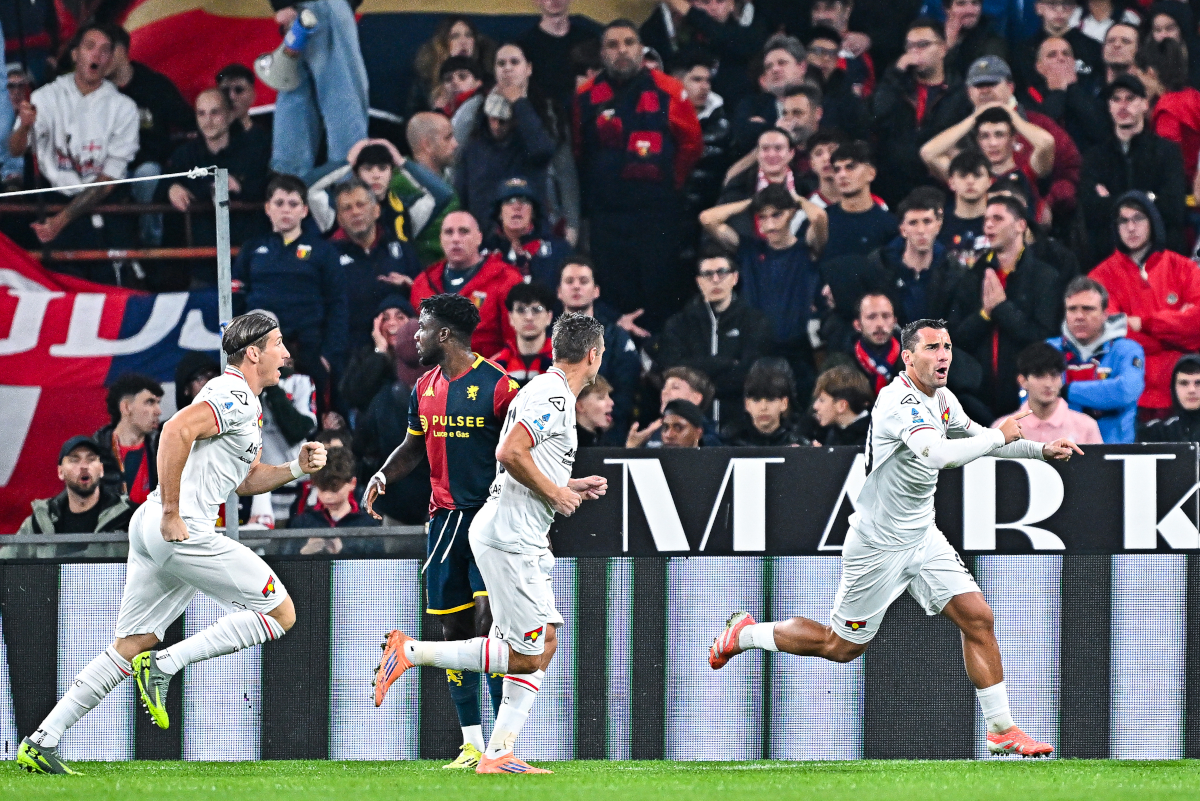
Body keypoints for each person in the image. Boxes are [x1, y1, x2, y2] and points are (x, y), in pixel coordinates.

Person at [709, 318, 1078, 759]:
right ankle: (748, 633)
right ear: (908, 357)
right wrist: (1002, 434)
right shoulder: (896, 401)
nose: (944, 355)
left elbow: (977, 440)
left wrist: (1038, 450)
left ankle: (1002, 730)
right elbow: (942, 455)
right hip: (878, 544)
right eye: (932, 348)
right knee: (840, 647)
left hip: (922, 534)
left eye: (947, 346)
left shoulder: (941, 398)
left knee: (977, 617)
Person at [16, 313, 328, 776]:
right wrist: (172, 513)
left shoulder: (244, 402)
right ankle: (165, 665)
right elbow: (173, 431)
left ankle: (43, 740)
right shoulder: (234, 394)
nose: (287, 354)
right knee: (281, 613)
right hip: (179, 529)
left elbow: (242, 482)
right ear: (254, 353)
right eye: (279, 344)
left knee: (132, 642)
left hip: (156, 529)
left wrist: (296, 469)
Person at [373, 312, 607, 775]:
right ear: (593, 355)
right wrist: (555, 492)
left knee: (546, 641)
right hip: (509, 536)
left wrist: (566, 483)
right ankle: (411, 652)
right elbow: (509, 451)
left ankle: (498, 752)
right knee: (528, 652)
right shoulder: (555, 398)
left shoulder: (541, 389)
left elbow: (522, 459)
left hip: (514, 532)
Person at [361, 293, 521, 767]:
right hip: (443, 522)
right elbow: (413, 446)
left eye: (424, 327)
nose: (416, 335)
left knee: (490, 628)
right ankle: (471, 743)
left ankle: (500, 745)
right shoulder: (423, 387)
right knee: (452, 631)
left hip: (490, 521)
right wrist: (384, 475)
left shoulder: (500, 387)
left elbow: (521, 455)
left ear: (446, 334)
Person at [574, 20, 703, 331]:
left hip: (658, 216)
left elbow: (691, 144)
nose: (622, 50)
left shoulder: (669, 89)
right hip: (608, 220)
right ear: (602, 53)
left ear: (641, 49)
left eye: (629, 43)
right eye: (613, 45)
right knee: (613, 296)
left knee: (661, 294)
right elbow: (580, 149)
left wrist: (670, 183)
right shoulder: (585, 96)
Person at [7, 23, 138, 261]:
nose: (97, 55)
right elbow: (16, 150)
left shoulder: (124, 108)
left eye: (105, 50)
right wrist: (25, 125)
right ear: (75, 54)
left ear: (110, 61)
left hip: (101, 205)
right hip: (52, 199)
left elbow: (109, 180)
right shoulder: (45, 96)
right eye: (90, 47)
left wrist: (61, 221)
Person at [701, 184, 829, 393]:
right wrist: (752, 202)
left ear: (791, 213)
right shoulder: (750, 249)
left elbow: (819, 218)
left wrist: (797, 200)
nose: (769, 225)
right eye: (762, 217)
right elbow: (708, 218)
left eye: (776, 215)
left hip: (796, 347)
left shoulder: (806, 250)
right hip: (755, 349)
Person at [233, 174, 348, 398]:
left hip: (309, 350)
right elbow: (235, 301)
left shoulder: (323, 251)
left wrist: (328, 355)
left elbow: (338, 305)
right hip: (260, 352)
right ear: (267, 208)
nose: (286, 210)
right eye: (279, 203)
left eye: (293, 204)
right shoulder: (252, 249)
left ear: (304, 210)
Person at [947, 195, 1063, 418]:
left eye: (998, 218)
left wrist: (1001, 308)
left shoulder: (1044, 277)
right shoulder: (972, 277)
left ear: (1020, 225)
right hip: (977, 402)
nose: (989, 224)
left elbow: (1042, 337)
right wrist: (984, 315)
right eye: (986, 219)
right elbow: (957, 337)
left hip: (1024, 400)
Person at [1089, 191, 1200, 417]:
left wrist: (1143, 323)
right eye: (1123, 220)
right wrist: (1176, 329)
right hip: (1130, 399)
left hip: (1184, 394)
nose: (1131, 227)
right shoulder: (1100, 278)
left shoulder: (1184, 269)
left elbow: (1197, 325)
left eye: (1138, 218)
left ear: (1152, 221)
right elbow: (1112, 335)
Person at [161, 88, 271, 274]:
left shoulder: (255, 150)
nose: (208, 120)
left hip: (250, 261)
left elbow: (272, 187)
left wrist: (240, 186)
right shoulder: (185, 154)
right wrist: (171, 187)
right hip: (202, 264)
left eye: (215, 112)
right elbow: (161, 185)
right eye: (201, 113)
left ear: (229, 115)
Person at [658, 248, 773, 424]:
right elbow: (674, 370)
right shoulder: (678, 324)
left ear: (735, 277)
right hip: (691, 428)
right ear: (698, 281)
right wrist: (727, 363)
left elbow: (752, 375)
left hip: (740, 427)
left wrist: (699, 380)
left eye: (722, 272)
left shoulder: (755, 321)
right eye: (708, 274)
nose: (715, 280)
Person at [1080, 74, 1187, 262]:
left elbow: (1173, 210)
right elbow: (1090, 212)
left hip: (1160, 258)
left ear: (1145, 104)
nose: (1123, 105)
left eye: (1130, 98)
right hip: (1110, 259)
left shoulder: (1167, 152)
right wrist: (1149, 197)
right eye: (1116, 99)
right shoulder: (1094, 158)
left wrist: (1112, 200)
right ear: (1109, 106)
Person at [456, 44, 559, 227]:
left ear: (528, 68)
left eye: (514, 62)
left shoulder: (544, 111)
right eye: (501, 63)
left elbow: (543, 151)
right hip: (485, 230)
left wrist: (519, 102)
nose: (507, 68)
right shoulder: (474, 113)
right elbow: (462, 186)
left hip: (529, 229)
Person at [269, 0, 369, 176]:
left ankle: (288, 189)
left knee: (295, 93)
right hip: (324, 6)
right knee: (343, 99)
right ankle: (347, 186)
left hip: (308, 8)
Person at [870, 18, 960, 207]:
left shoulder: (959, 91)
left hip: (939, 187)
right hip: (894, 187)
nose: (915, 52)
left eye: (923, 45)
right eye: (910, 46)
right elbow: (877, 115)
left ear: (943, 49)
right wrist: (896, 72)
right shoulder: (895, 85)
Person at [410, 211, 524, 359]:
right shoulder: (423, 283)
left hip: (489, 373)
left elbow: (517, 343)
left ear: (479, 237)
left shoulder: (506, 279)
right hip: (434, 375)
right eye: (449, 232)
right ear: (441, 239)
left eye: (464, 231)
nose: (456, 239)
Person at [1048, 275, 1145, 443]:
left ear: (1105, 314)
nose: (1079, 316)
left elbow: (1125, 391)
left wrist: (1067, 391)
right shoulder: (1049, 349)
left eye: (1088, 309)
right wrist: (1102, 400)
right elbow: (1036, 399)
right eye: (1072, 309)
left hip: (1115, 450)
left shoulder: (1127, 349)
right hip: (1060, 449)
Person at [555, 257, 641, 442]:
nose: (576, 286)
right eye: (569, 281)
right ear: (559, 292)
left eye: (584, 281)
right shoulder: (546, 338)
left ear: (596, 291)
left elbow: (625, 394)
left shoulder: (616, 338)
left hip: (607, 436)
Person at [330, 179, 422, 350]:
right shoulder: (328, 257)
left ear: (376, 210)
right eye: (347, 208)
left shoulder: (402, 249)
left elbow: (428, 302)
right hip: (351, 354)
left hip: (403, 350)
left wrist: (411, 285)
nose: (355, 212)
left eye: (361, 204)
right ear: (339, 219)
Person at [859, 187, 962, 328]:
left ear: (938, 226)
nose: (921, 230)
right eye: (913, 223)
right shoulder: (879, 265)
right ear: (902, 230)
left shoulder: (953, 271)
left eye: (927, 222)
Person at [641, 0, 764, 108]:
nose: (713, 7)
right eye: (705, 2)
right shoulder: (685, 41)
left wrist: (691, 13)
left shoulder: (746, 35)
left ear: (731, 5)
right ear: (694, 4)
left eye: (720, 1)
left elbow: (724, 37)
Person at [17, 436, 134, 537]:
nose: (84, 466)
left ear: (101, 470)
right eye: (74, 460)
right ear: (60, 472)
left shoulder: (129, 517)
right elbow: (7, 559)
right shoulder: (40, 522)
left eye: (91, 459)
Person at [991, 343, 1104, 444]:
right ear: (1022, 381)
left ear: (1061, 379)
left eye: (1054, 375)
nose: (1048, 384)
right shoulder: (1001, 429)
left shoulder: (1086, 427)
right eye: (1039, 376)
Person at [673, 49, 734, 237]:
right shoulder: (660, 118)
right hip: (670, 214)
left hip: (708, 215)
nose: (705, 86)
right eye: (696, 80)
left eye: (707, 80)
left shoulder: (723, 124)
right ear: (676, 81)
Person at [1021, 36, 1109, 153]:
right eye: (1052, 55)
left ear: (1073, 62)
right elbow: (1042, 131)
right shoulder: (1029, 95)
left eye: (1066, 54)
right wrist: (1058, 91)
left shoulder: (1090, 89)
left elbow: (1101, 131)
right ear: (1039, 67)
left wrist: (1072, 88)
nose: (1061, 58)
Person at [288, 447, 380, 555]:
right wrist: (303, 553)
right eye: (322, 489)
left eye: (335, 489)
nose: (328, 496)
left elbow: (376, 567)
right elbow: (282, 563)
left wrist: (344, 550)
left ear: (352, 483)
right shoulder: (302, 523)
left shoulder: (368, 525)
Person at [485, 177, 572, 288]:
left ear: (533, 212)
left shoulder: (559, 250)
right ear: (499, 213)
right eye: (509, 201)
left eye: (524, 200)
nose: (517, 207)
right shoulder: (484, 252)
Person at [731, 34, 808, 156]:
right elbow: (742, 136)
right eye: (769, 66)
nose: (775, 69)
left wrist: (764, 127)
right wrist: (776, 128)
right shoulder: (752, 105)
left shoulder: (821, 100)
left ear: (802, 67)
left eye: (782, 63)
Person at [92, 373, 164, 506]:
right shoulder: (93, 453)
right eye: (150, 402)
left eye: (158, 403)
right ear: (125, 407)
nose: (158, 411)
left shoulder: (163, 447)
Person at [820, 141, 897, 264]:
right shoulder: (823, 220)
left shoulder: (889, 225)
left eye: (850, 167)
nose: (842, 175)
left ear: (871, 173)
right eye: (837, 169)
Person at [517, 0, 602, 111]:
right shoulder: (524, 44)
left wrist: (592, 84)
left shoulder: (590, 40)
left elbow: (604, 85)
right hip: (541, 116)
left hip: (583, 113)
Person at [1139, 38, 1200, 189]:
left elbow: (1168, 165)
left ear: (1150, 73)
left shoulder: (1167, 111)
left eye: (1138, 75)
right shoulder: (1193, 95)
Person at [411, 16, 496, 115]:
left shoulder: (488, 78)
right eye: (455, 36)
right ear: (442, 44)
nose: (464, 42)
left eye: (468, 35)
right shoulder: (425, 83)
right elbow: (412, 121)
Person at [1016, 0, 1103, 90]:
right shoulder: (1024, 50)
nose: (1060, 10)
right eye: (1052, 4)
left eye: (1066, 4)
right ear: (1039, 8)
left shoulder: (1093, 48)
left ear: (1074, 7)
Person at [627, 365, 722, 447]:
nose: (664, 392)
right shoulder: (653, 433)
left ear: (696, 398)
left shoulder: (709, 441)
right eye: (664, 387)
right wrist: (633, 446)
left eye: (675, 387)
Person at [721, 359, 809, 446]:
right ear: (747, 404)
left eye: (771, 400)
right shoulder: (731, 444)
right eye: (756, 400)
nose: (763, 407)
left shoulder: (799, 445)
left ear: (784, 403)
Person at [493, 283, 557, 386]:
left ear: (549, 317)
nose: (529, 317)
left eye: (537, 310)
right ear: (510, 318)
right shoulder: (495, 365)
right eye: (521, 310)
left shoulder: (564, 362)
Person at [938, 151, 990, 268]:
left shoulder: (1002, 222)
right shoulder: (938, 224)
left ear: (989, 181)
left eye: (977, 175)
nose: (970, 181)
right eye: (963, 175)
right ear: (951, 182)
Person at [845, 293, 904, 395]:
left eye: (886, 316)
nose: (880, 324)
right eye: (871, 317)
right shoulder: (841, 364)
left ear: (894, 322)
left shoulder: (915, 360)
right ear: (858, 325)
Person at [1138, 355, 1200, 442]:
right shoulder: (1155, 432)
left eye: (1198, 383)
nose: (1191, 390)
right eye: (1183, 383)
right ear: (1174, 388)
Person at [942, 0, 1007, 81]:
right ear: (947, 9)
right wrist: (948, 44)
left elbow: (984, 82)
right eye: (961, 4)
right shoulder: (934, 36)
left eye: (975, 3)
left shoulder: (992, 42)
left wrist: (950, 50)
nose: (970, 10)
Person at [216, 63, 259, 133]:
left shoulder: (269, 140)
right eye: (225, 91)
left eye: (239, 90)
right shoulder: (204, 139)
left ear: (252, 95)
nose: (232, 97)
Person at [575, 374, 615, 447]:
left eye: (609, 396)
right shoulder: (562, 445)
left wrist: (630, 447)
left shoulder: (604, 441)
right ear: (580, 406)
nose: (611, 403)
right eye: (601, 398)